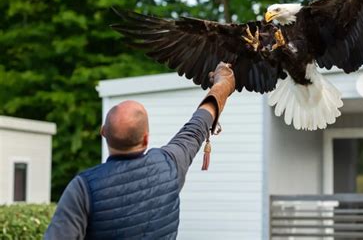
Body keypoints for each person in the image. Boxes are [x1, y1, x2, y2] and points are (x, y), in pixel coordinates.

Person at [44, 62, 235, 240]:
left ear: (103, 132)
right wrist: (222, 85)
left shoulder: (83, 188)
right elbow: (196, 128)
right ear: (145, 138)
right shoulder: (169, 166)